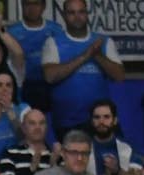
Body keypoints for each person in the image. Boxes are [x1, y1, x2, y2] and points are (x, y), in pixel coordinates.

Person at [40, 0, 124, 135]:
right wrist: (85, 56)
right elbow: (50, 76)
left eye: (81, 12)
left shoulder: (103, 42)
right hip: (67, 122)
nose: (77, 16)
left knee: (116, 155)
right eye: (71, 13)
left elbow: (119, 76)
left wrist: (98, 56)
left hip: (100, 122)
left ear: (87, 14)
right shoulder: (53, 43)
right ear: (64, 16)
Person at [5, 0, 66, 112]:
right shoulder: (12, 31)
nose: (32, 8)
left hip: (51, 86)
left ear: (43, 6)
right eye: (28, 4)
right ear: (22, 6)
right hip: (23, 88)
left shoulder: (56, 29)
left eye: (36, 4)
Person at [88, 99, 141, 175]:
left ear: (115, 120)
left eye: (106, 117)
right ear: (92, 121)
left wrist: (118, 171)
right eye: (97, 117)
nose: (101, 121)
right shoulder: (82, 150)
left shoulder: (127, 149)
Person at [0, 107, 60, 175]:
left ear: (47, 128)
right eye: (32, 123)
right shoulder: (10, 154)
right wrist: (31, 169)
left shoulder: (56, 156)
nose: (37, 127)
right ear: (23, 128)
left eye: (41, 123)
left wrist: (53, 167)